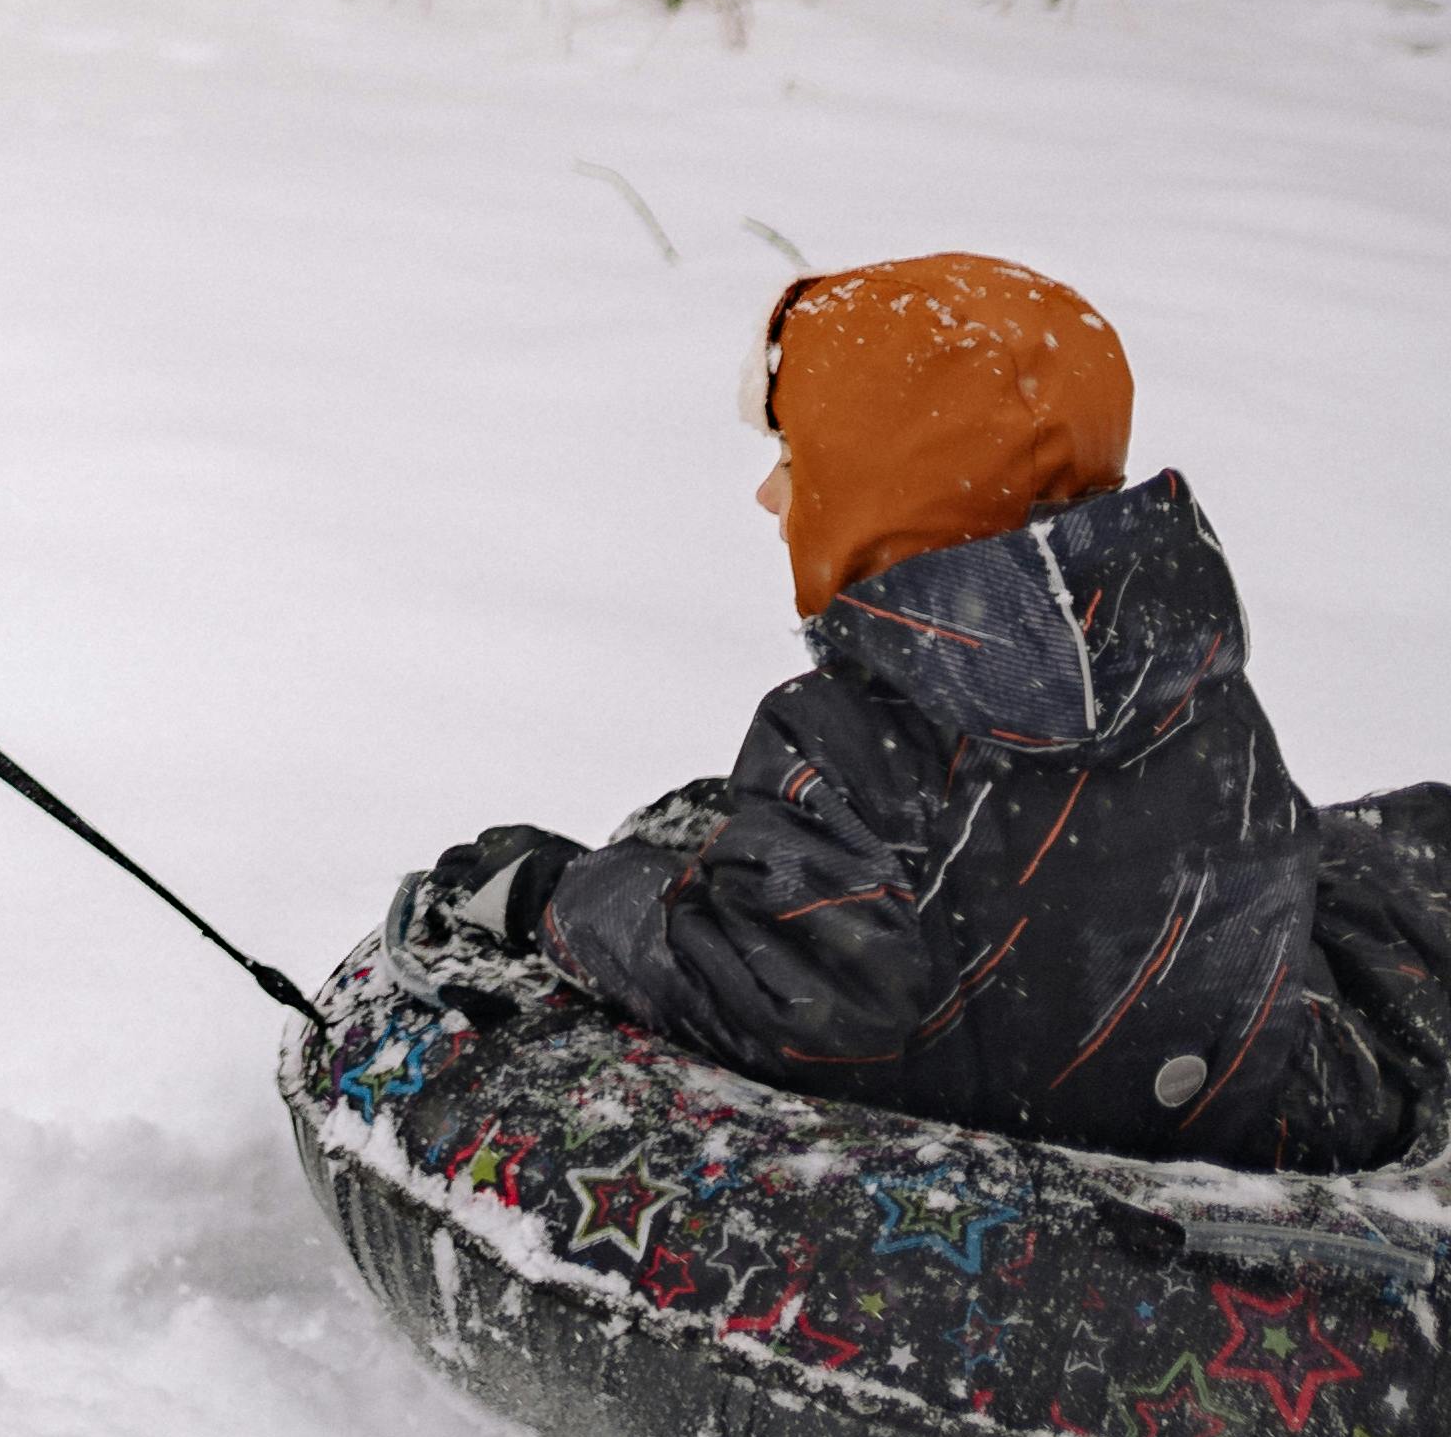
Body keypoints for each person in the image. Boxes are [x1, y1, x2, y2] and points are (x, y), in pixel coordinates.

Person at [420, 252, 1439, 1171]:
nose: (770, 498)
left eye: (799, 464)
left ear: (881, 494)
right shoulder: (1195, 681)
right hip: (1239, 1107)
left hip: (1028, 1158)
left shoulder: (851, 739)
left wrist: (557, 895)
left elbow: (782, 989)